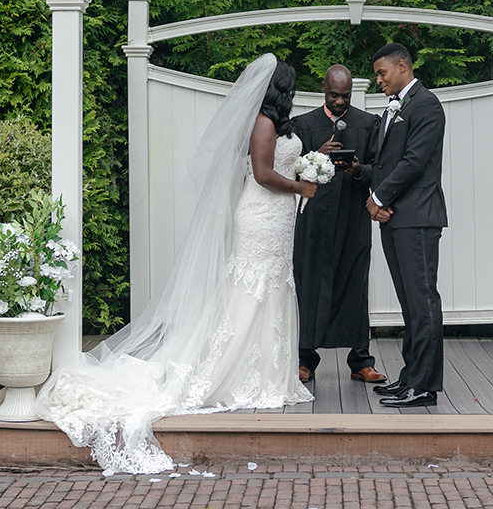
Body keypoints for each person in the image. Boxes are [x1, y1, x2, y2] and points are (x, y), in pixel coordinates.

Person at [36, 54, 317, 473]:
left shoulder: (280, 125)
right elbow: (260, 173)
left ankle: (270, 374)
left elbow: (278, 161)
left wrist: (311, 165)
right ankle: (235, 371)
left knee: (275, 287)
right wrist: (300, 185)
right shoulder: (262, 122)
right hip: (260, 215)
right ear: (281, 88)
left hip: (278, 221)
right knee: (251, 288)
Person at [362, 43, 447, 408]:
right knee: (409, 305)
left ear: (402, 66)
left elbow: (414, 162)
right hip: (397, 219)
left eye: (382, 73)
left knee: (423, 301)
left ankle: (425, 386)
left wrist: (377, 199)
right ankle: (410, 377)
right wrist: (363, 176)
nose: (378, 80)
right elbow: (387, 163)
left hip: (418, 218)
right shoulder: (396, 106)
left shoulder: (426, 105)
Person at [291, 65, 385, 385]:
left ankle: (360, 360)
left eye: (345, 96)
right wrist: (316, 154)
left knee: (355, 284)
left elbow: (380, 169)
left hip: (352, 218)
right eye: (334, 95)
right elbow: (288, 171)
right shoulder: (303, 126)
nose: (340, 102)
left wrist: (359, 170)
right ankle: (305, 359)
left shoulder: (368, 124)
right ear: (323, 88)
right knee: (308, 284)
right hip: (313, 220)